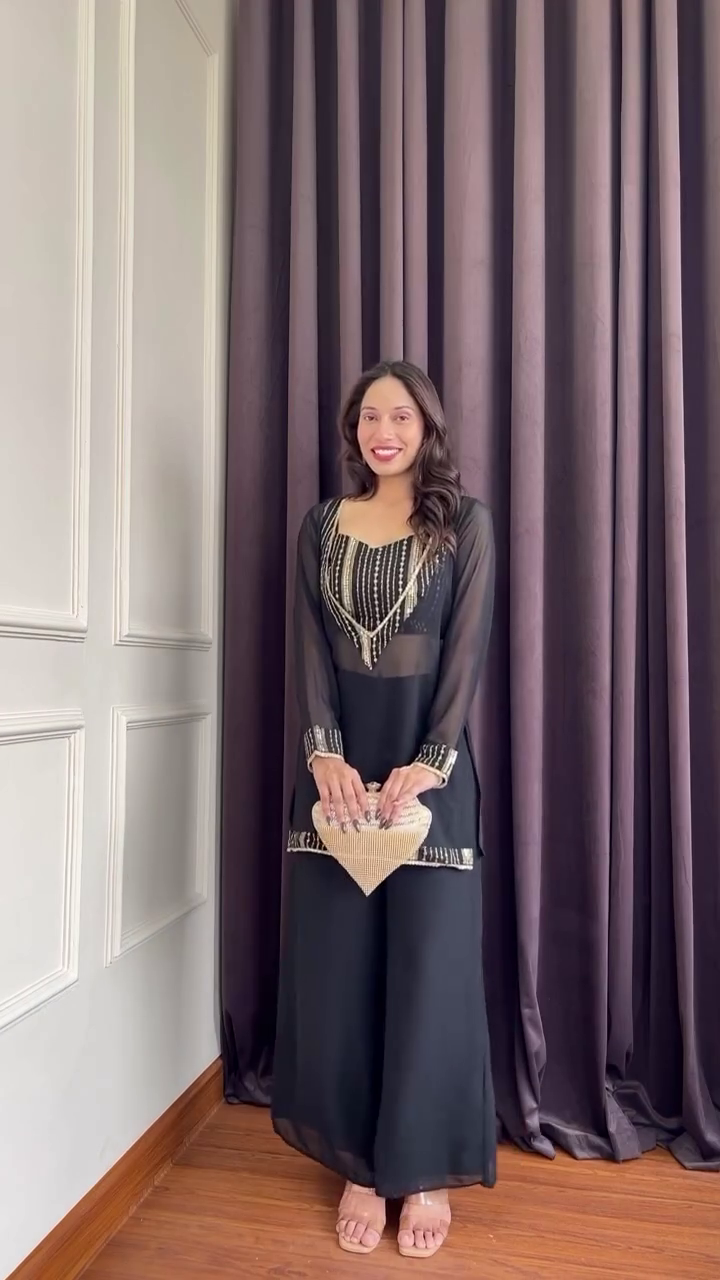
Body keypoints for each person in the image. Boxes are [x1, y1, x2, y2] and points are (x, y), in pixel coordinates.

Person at [271, 360, 496, 1258]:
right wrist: (321, 750)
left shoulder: (464, 523)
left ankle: (425, 1168)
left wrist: (430, 763)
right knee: (341, 971)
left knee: (430, 971)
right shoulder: (320, 525)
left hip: (427, 780)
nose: (384, 431)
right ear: (352, 431)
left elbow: (465, 655)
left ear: (427, 426)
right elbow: (307, 647)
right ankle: (361, 1166)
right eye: (369, 416)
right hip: (334, 777)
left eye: (401, 415)